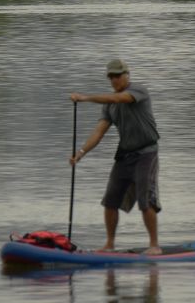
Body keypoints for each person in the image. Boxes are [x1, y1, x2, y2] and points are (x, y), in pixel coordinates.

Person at [70, 58, 161, 254]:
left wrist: (85, 98)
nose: (114, 80)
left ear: (127, 75)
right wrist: (80, 154)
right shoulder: (109, 106)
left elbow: (119, 98)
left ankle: (154, 245)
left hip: (146, 152)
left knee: (145, 200)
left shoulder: (138, 91)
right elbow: (99, 132)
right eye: (111, 76)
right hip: (125, 155)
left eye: (118, 75)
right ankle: (109, 244)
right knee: (110, 201)